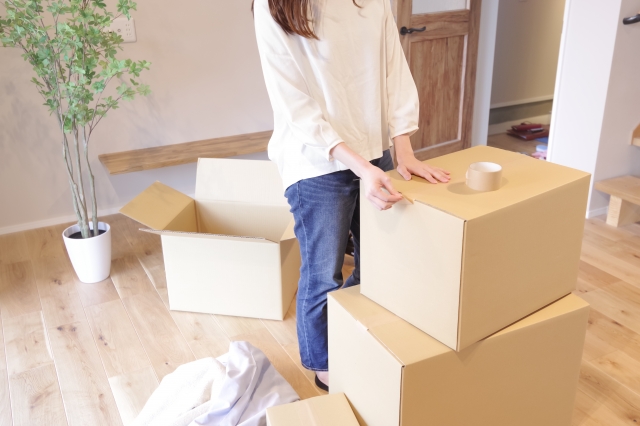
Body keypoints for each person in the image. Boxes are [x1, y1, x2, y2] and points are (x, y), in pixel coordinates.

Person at [253, 0, 450, 391]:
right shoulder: (273, 6)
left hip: (374, 151)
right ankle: (325, 367)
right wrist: (359, 165)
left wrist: (404, 149)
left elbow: (394, 70)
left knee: (377, 263)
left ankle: (355, 337)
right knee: (323, 272)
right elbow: (294, 102)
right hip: (315, 161)